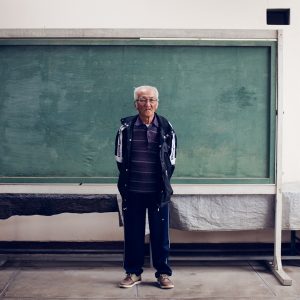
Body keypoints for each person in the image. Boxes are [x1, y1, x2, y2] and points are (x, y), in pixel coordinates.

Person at [115, 85, 177, 289]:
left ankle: (163, 274)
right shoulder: (126, 128)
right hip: (133, 190)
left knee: (161, 235)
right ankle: (133, 273)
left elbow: (171, 160)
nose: (147, 104)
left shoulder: (167, 128)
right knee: (133, 233)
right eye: (142, 100)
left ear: (157, 103)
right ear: (136, 104)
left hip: (158, 192)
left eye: (151, 100)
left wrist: (162, 183)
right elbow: (120, 159)